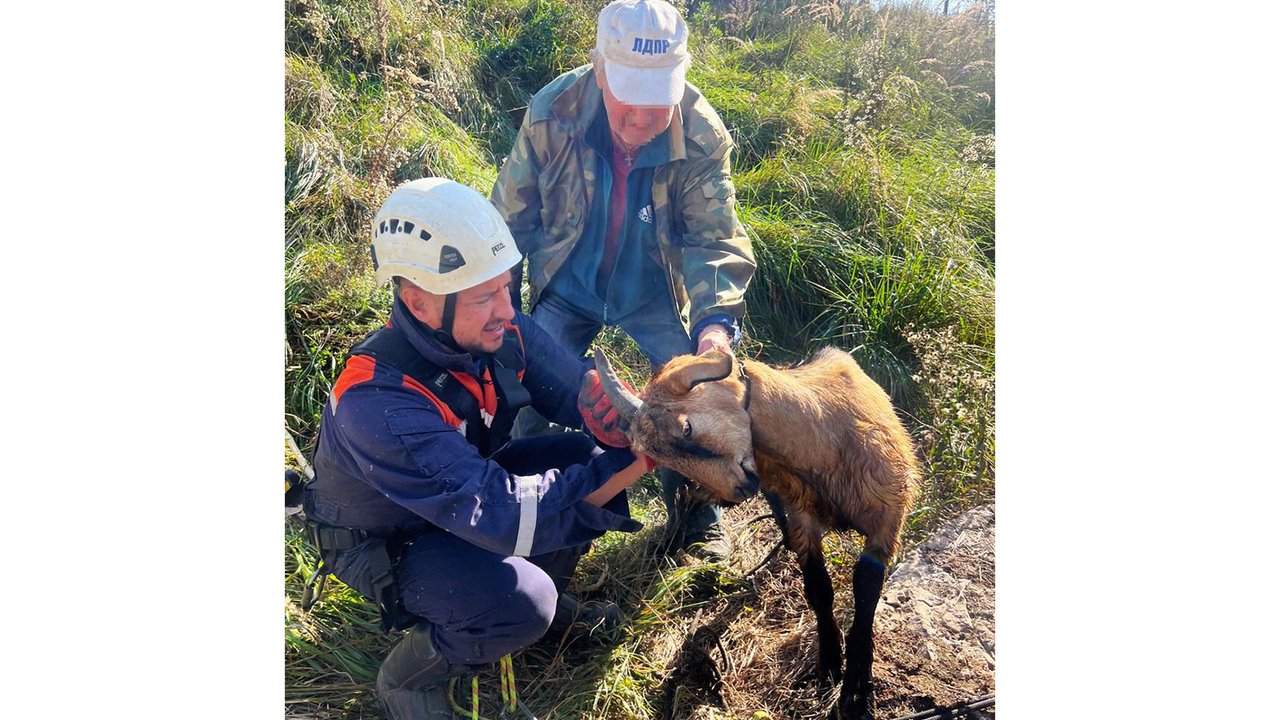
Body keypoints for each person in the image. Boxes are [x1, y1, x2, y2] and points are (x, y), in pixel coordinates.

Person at [302, 177, 654, 719]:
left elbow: (574, 390)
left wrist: (625, 423)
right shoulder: (375, 400)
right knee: (523, 597)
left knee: (584, 461)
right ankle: (409, 679)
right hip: (388, 540)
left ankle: (542, 605)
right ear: (418, 302)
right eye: (484, 296)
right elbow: (501, 517)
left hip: (463, 492)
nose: (507, 310)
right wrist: (639, 459)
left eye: (508, 287)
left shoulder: (494, 329)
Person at [491, 0, 755, 558]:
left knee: (695, 399)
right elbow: (511, 215)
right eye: (627, 102)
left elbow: (714, 239)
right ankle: (520, 503)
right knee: (525, 385)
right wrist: (504, 305)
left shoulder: (702, 136)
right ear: (600, 72)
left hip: (651, 291)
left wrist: (713, 332)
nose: (641, 122)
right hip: (568, 281)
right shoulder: (553, 111)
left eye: (656, 106)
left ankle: (693, 515)